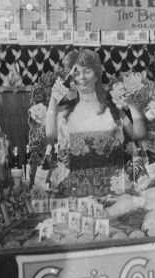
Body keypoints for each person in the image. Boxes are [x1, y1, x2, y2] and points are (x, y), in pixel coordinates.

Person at [45, 49, 147, 191]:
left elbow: (139, 134)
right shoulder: (64, 113)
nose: (82, 77)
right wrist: (54, 98)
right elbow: (50, 133)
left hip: (112, 190)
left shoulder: (113, 110)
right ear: (71, 78)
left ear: (96, 75)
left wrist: (130, 103)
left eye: (87, 71)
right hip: (78, 191)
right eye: (76, 72)